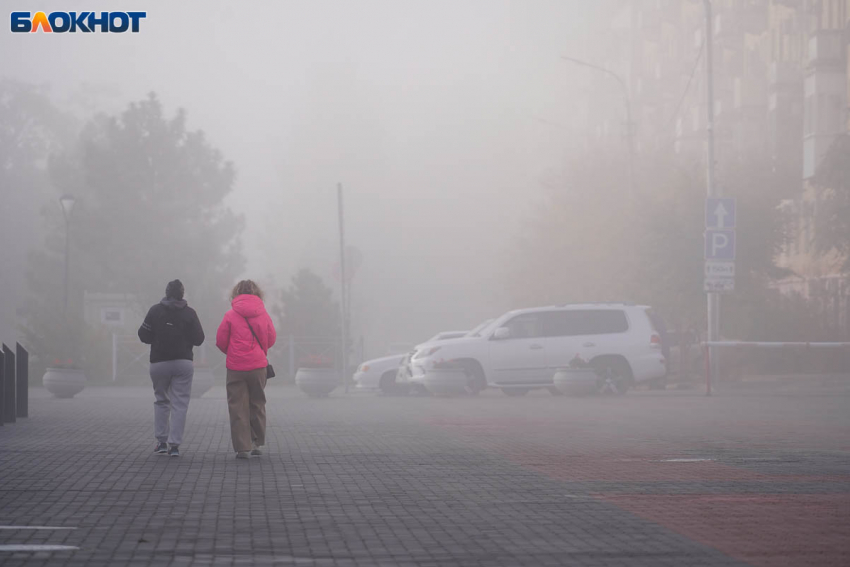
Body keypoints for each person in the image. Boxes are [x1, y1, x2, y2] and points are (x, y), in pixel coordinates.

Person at [138, 279, 205, 457]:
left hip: (159, 362)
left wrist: (157, 338)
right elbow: (199, 339)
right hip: (183, 363)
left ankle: (161, 442)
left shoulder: (155, 311)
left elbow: (143, 335)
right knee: (179, 404)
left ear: (166, 293)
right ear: (182, 294)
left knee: (161, 400)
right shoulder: (190, 313)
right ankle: (174, 445)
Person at [216, 280, 276, 459]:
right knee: (257, 403)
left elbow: (220, 341)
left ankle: (242, 447)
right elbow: (271, 338)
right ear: (257, 293)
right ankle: (257, 443)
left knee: (237, 406)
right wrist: (259, 351)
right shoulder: (263, 314)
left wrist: (233, 353)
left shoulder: (230, 315)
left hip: (236, 367)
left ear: (236, 293)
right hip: (258, 366)